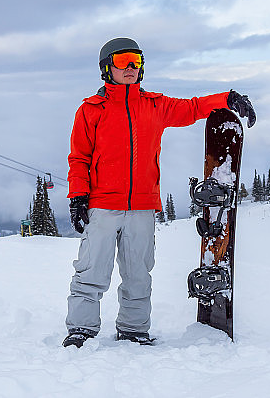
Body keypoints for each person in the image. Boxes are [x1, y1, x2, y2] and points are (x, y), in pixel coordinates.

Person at [63, 37, 256, 347]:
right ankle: (81, 330)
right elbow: (79, 158)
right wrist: (78, 197)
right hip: (102, 205)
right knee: (91, 272)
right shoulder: (91, 110)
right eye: (123, 60)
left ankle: (133, 329)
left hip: (142, 207)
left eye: (136, 60)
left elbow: (192, 108)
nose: (130, 66)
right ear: (107, 68)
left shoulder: (154, 105)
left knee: (138, 274)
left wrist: (228, 99)